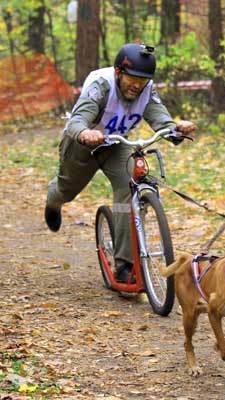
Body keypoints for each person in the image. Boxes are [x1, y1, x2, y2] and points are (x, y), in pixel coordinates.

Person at [45, 43, 195, 282]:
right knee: (66, 189)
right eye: (131, 78)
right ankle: (54, 200)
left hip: (116, 143)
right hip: (84, 144)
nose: (137, 85)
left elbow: (159, 117)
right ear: (118, 72)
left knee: (128, 188)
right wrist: (85, 132)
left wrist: (175, 129)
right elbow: (77, 120)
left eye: (142, 80)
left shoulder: (146, 89)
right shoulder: (100, 85)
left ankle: (124, 264)